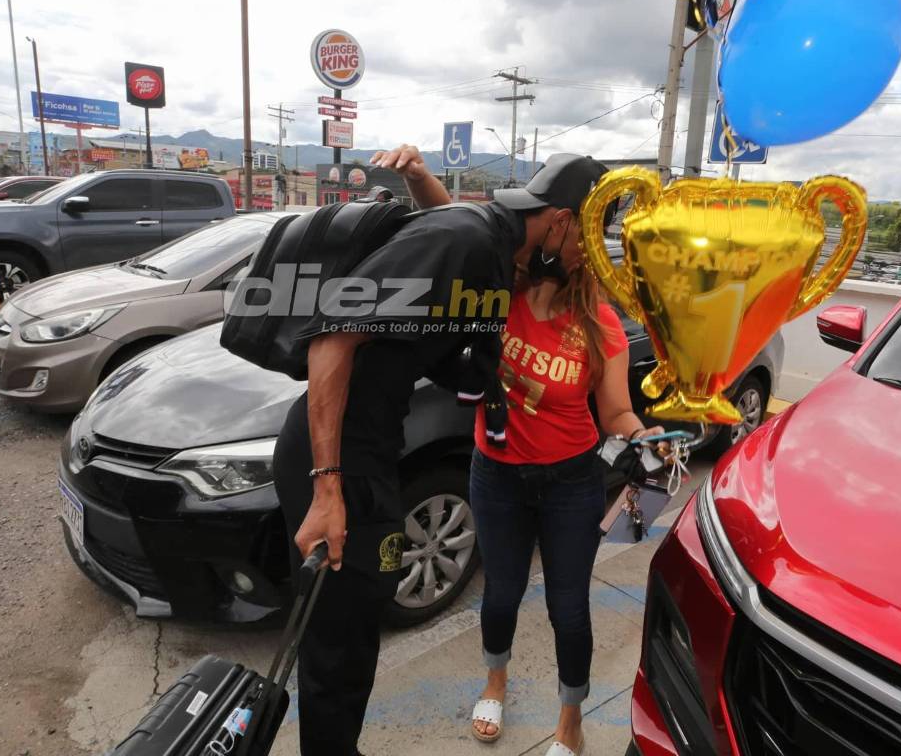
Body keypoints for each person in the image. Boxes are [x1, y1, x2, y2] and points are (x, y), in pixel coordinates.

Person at [271, 144, 610, 756]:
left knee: (358, 630)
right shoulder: (472, 239)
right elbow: (331, 339)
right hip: (337, 455)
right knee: (335, 645)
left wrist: (422, 180)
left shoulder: (490, 243)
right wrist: (327, 486)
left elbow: (448, 231)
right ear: (561, 221)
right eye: (588, 239)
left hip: (372, 450)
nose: (589, 255)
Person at [466, 190, 663, 755]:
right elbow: (460, 233)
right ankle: (495, 681)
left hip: (570, 483)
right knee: (500, 595)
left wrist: (644, 439)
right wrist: (418, 175)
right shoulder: (503, 290)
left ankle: (570, 720)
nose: (574, 245)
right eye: (569, 231)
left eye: (584, 238)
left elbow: (616, 412)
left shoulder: (600, 324)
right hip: (496, 474)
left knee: (569, 609)